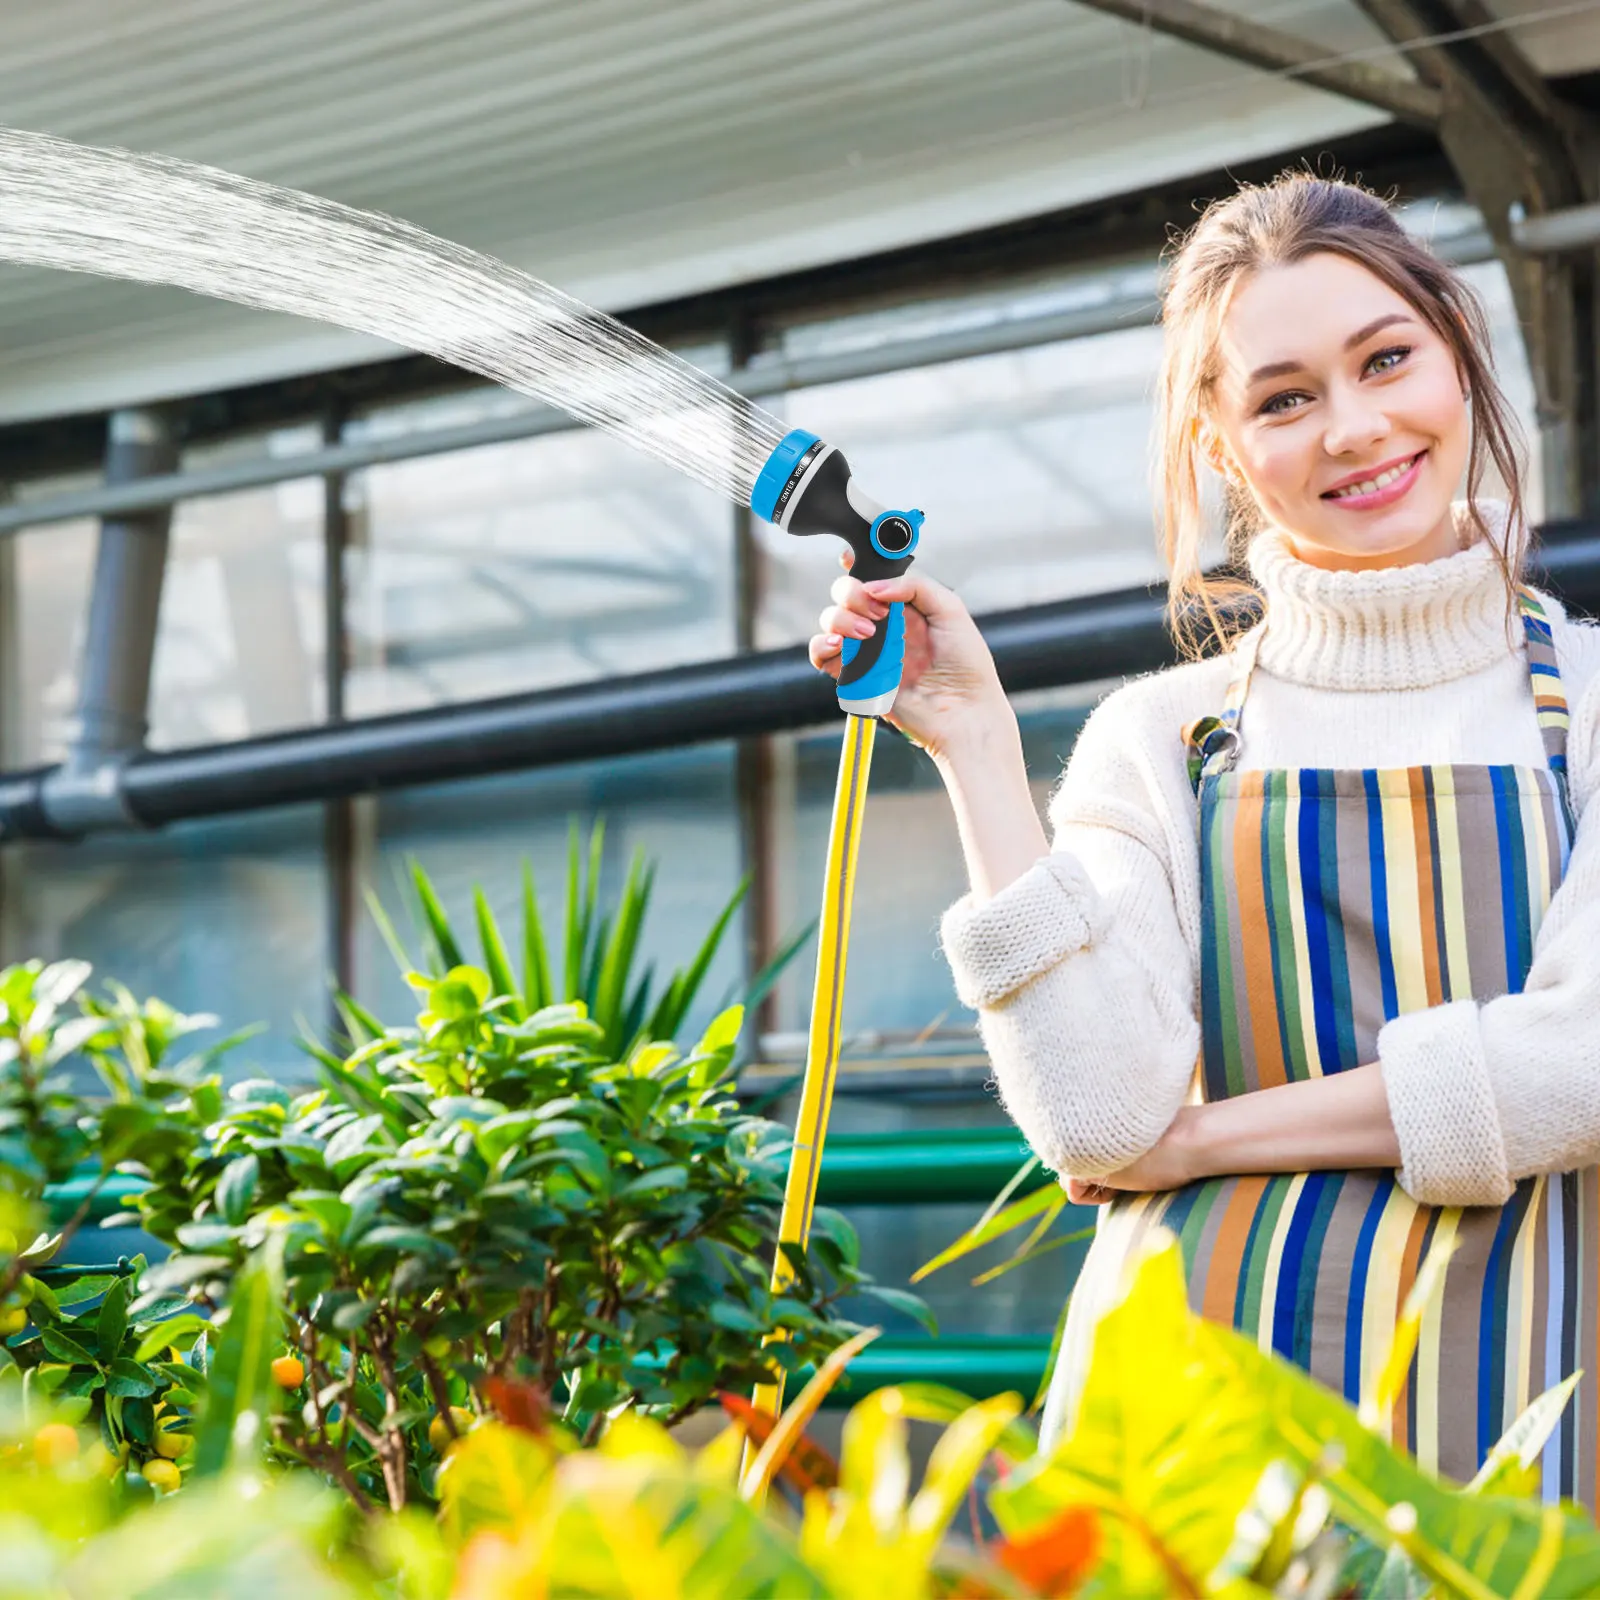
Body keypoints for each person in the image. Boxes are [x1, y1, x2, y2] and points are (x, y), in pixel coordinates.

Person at [809, 172, 1600, 1505]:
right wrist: (977, 749)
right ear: (1224, 451)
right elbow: (1104, 1116)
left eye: (1386, 360)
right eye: (1283, 399)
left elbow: (1581, 1065)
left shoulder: (1588, 701)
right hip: (1194, 1439)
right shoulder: (1165, 736)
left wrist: (1206, 1141)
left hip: (1525, 1409)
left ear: (1459, 359)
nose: (1352, 429)